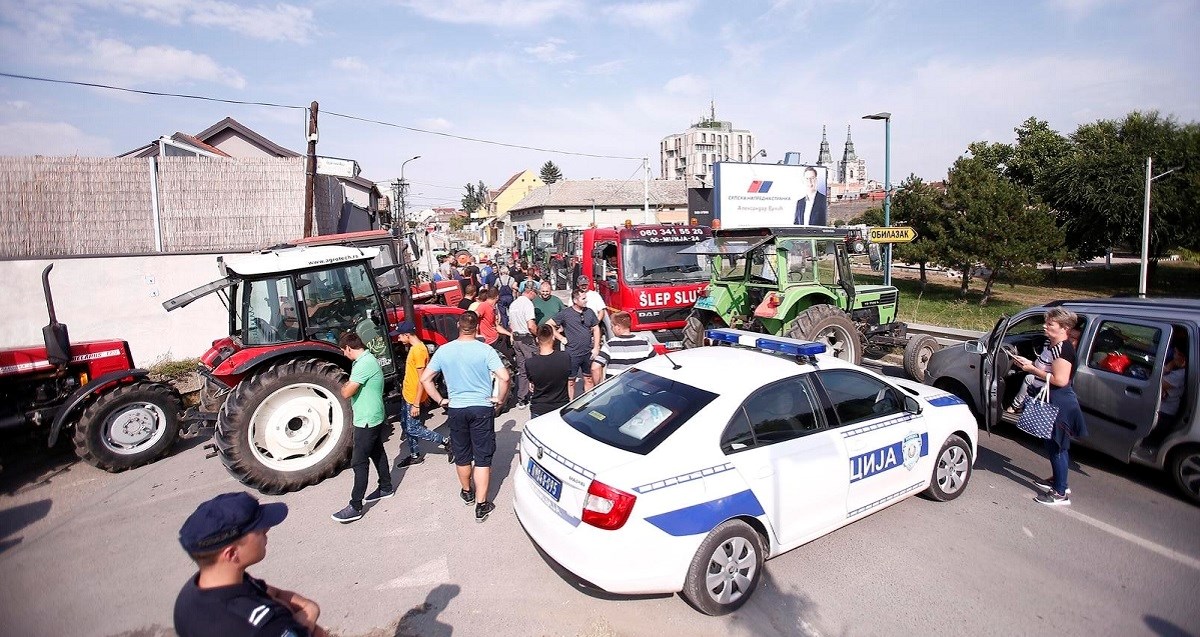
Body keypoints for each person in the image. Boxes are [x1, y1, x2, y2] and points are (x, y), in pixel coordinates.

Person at [174, 492, 329, 637]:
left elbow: (268, 591)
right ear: (232, 554)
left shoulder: (190, 596)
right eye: (258, 530)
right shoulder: (265, 625)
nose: (267, 529)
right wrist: (310, 611)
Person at [419, 312, 511, 523]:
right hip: (481, 407)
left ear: (458, 326)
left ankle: (467, 491)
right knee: (482, 457)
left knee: (462, 454)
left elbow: (426, 379)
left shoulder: (444, 351)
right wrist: (499, 399)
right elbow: (504, 377)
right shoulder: (486, 350)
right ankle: (481, 504)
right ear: (477, 327)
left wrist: (441, 400)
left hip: (457, 408)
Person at [1010, 308, 1087, 506]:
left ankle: (1060, 493)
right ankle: (1059, 480)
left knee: (1057, 446)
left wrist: (1032, 370)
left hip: (1058, 402)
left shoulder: (1063, 349)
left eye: (1050, 324)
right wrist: (1029, 364)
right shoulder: (1050, 344)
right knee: (1051, 443)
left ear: (1065, 328)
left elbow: (1060, 380)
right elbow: (1044, 367)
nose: (1045, 326)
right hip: (1050, 399)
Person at [331, 332, 391, 523]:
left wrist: (345, 385)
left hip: (366, 418)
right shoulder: (366, 360)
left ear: (349, 348)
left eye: (343, 351)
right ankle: (386, 487)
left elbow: (347, 392)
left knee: (359, 462)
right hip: (373, 415)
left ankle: (355, 505)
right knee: (377, 452)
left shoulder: (363, 364)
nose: (344, 354)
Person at [392, 320, 452, 468]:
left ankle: (446, 442)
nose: (398, 338)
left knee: (413, 428)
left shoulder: (418, 351)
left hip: (413, 397)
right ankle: (415, 455)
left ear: (407, 335)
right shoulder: (415, 348)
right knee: (406, 425)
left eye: (399, 336)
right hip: (409, 395)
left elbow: (422, 378)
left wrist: (417, 402)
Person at [546, 288, 601, 400]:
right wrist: (560, 337)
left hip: (588, 352)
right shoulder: (565, 314)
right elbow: (549, 324)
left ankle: (588, 402)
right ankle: (570, 403)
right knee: (571, 381)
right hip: (572, 353)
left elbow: (596, 329)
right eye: (583, 298)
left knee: (588, 378)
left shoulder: (589, 312)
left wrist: (596, 347)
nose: (586, 301)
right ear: (575, 300)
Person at [1145, 337, 1189, 449]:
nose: (1174, 356)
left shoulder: (1180, 375)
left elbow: (1155, 383)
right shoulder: (1181, 371)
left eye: (1176, 353)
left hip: (1164, 414)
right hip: (1163, 410)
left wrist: (1171, 364)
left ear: (1184, 357)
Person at [591, 311, 656, 386]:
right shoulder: (645, 343)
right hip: (639, 388)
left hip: (615, 388)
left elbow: (595, 368)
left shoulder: (610, 345)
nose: (612, 329)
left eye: (612, 326)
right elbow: (656, 363)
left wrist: (598, 387)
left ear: (618, 327)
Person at [526, 324, 572, 417]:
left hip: (539, 408)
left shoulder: (530, 363)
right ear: (553, 338)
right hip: (561, 406)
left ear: (537, 340)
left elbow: (532, 385)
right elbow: (569, 381)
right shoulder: (565, 357)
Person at [507, 281, 539, 407]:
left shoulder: (514, 303)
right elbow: (531, 326)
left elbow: (511, 324)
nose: (536, 296)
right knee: (535, 367)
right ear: (531, 292)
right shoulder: (528, 304)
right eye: (535, 293)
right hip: (527, 339)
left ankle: (522, 398)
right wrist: (538, 336)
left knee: (522, 369)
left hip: (516, 339)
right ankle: (537, 395)